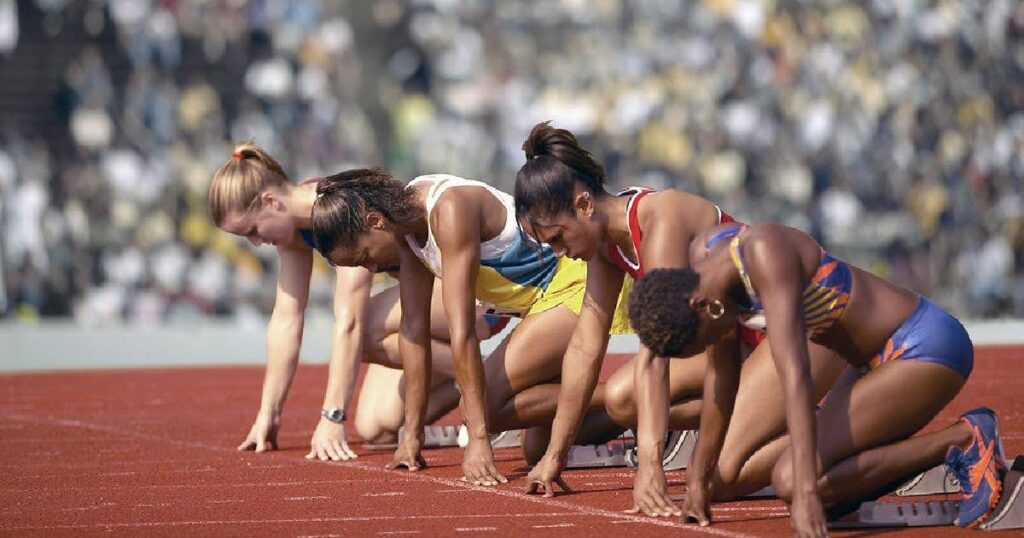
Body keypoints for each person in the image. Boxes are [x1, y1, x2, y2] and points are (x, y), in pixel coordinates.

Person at [512, 122, 845, 506]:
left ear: (584, 205)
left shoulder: (661, 219)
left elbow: (657, 351)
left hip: (806, 327)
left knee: (716, 478)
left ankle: (853, 432)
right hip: (741, 344)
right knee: (621, 399)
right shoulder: (603, 244)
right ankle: (768, 419)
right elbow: (585, 346)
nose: (559, 252)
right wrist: (555, 456)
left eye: (558, 237)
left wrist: (650, 463)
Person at [628, 221, 1007, 534]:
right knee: (821, 491)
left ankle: (963, 438)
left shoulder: (763, 254)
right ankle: (891, 459)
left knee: (794, 481)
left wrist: (807, 493)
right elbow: (721, 379)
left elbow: (796, 376)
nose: (712, 346)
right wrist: (698, 482)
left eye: (703, 341)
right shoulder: (705, 263)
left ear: (700, 306)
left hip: (922, 347)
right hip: (866, 363)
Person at [310, 168, 632, 486]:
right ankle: (638, 407)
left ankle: (640, 391)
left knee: (482, 409)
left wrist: (478, 440)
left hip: (574, 280)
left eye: (364, 256)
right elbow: (413, 330)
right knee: (535, 448)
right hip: (540, 305)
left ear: (374, 221)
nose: (371, 268)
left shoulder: (449, 210)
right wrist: (411, 434)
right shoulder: (404, 226)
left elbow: (462, 331)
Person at [208, 142, 504, 462]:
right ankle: (491, 389)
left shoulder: (337, 209)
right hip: (424, 302)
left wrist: (332, 417)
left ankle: (491, 382)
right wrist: (269, 412)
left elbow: (350, 322)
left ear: (271, 202)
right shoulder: (293, 231)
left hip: (471, 294)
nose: (256, 242)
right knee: (376, 426)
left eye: (252, 230)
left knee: (365, 330)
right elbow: (286, 317)